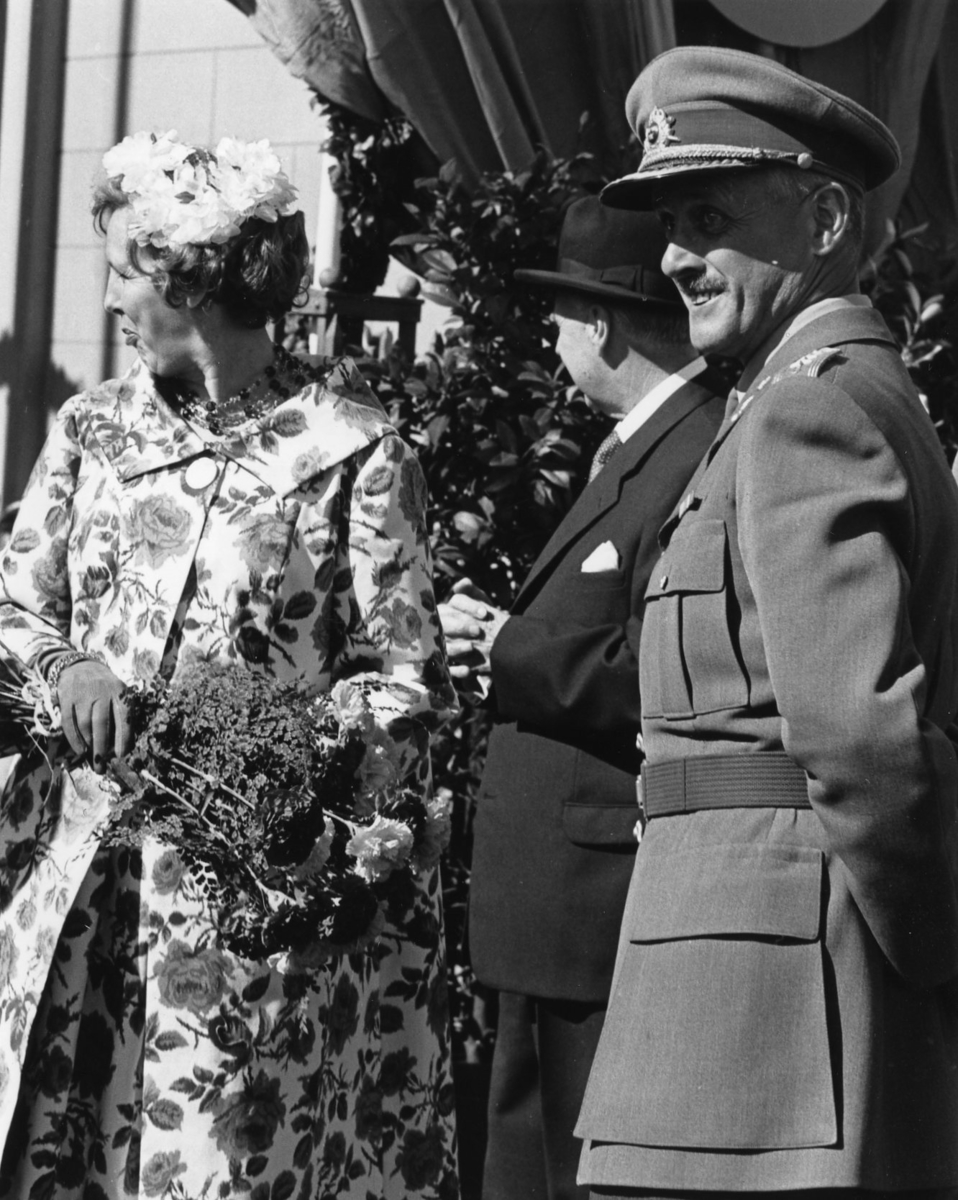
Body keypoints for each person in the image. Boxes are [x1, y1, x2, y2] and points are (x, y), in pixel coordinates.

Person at [0, 131, 459, 1199]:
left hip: (246, 916)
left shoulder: (352, 449)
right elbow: (15, 603)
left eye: (125, 270)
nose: (108, 297)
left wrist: (268, 757)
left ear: (196, 278)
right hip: (76, 889)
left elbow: (406, 681)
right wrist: (65, 669)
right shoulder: (91, 430)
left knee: (215, 1168)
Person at [575, 46, 958, 1200]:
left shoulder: (808, 413)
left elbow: (859, 742)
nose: (674, 257)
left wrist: (933, 961)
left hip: (772, 1021)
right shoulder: (792, 401)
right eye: (670, 224)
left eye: (710, 218)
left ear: (825, 219)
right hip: (738, 1002)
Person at [440, 195, 725, 1200]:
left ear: (600, 324)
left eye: (559, 318)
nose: (553, 342)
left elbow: (673, 667)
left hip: (591, 903)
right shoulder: (646, 443)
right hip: (555, 904)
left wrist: (505, 648)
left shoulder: (693, 447)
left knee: (568, 1171)